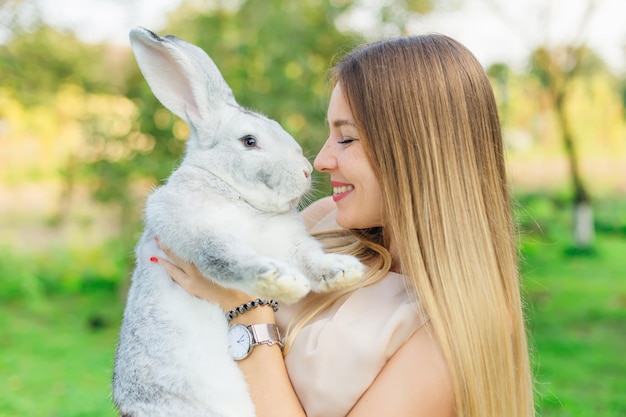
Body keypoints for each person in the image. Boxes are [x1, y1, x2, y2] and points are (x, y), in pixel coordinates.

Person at [153, 33, 535, 417]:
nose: (321, 160)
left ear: (416, 151)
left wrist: (247, 310)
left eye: (346, 138)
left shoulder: (461, 324)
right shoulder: (324, 220)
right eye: (329, 133)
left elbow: (233, 299)